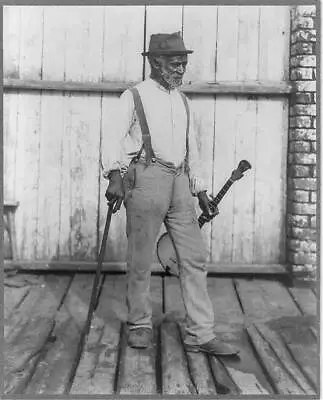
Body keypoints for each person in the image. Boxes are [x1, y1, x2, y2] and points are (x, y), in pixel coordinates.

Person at [103, 32, 239, 356]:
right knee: (141, 258)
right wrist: (113, 176)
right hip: (146, 179)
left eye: (184, 63)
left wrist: (201, 188)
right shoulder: (133, 96)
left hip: (179, 183)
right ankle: (139, 324)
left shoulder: (183, 101)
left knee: (193, 257)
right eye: (175, 64)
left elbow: (192, 149)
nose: (180, 70)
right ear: (154, 62)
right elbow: (111, 138)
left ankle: (200, 333)